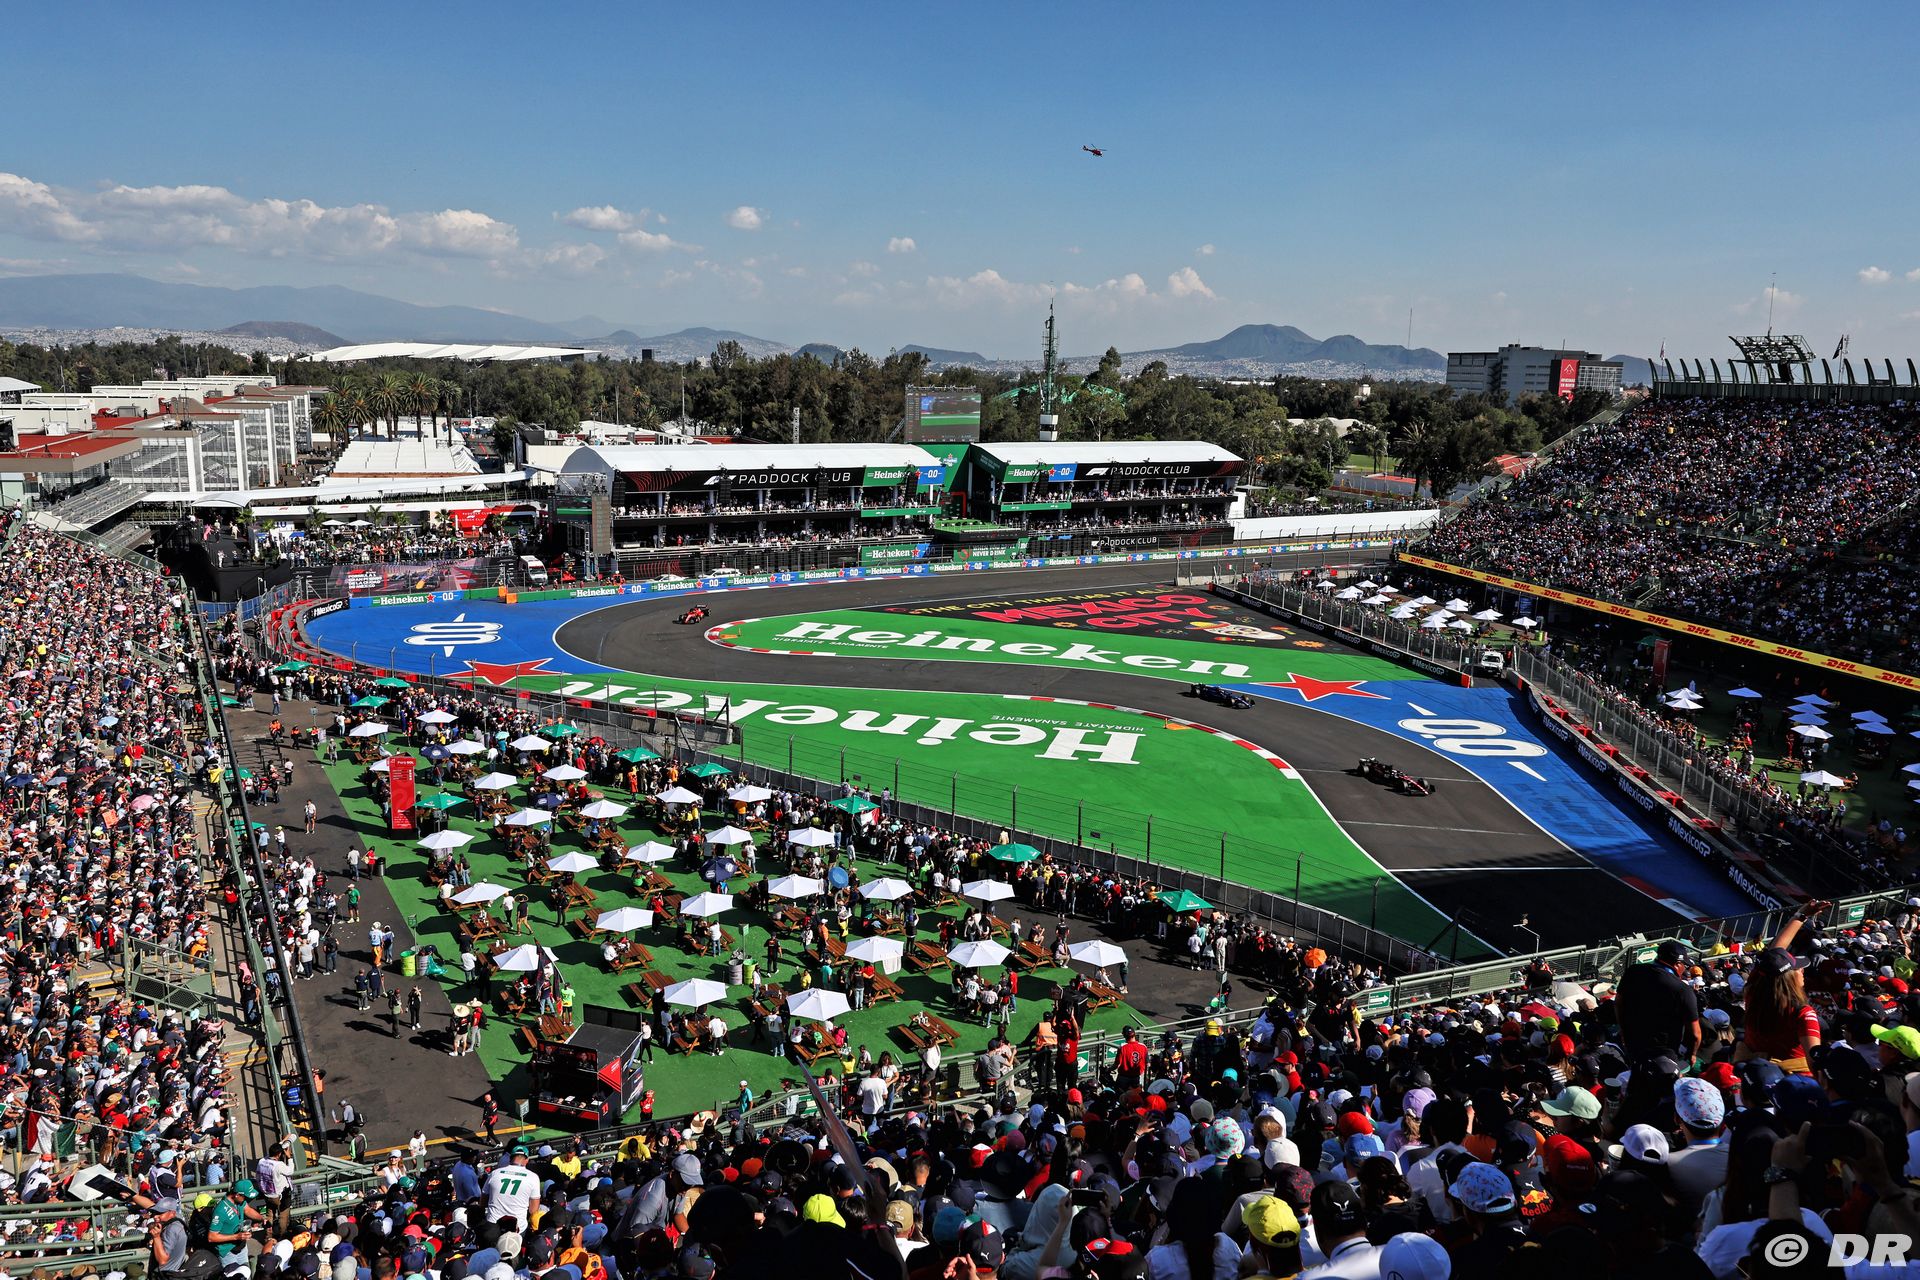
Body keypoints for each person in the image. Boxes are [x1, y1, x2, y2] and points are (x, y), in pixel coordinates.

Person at [483, 1146, 541, 1230]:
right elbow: (533, 1210)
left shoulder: (495, 1173)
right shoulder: (533, 1177)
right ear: (527, 1160)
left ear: (510, 1159)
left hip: (493, 1224)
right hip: (517, 1227)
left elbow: (483, 1200)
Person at [146, 1197, 190, 1278]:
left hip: (166, 1275)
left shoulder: (171, 1229)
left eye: (160, 1213)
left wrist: (156, 1237)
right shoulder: (177, 1220)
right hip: (173, 1273)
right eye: (155, 1212)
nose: (155, 1216)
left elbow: (163, 1260)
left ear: (172, 1213)